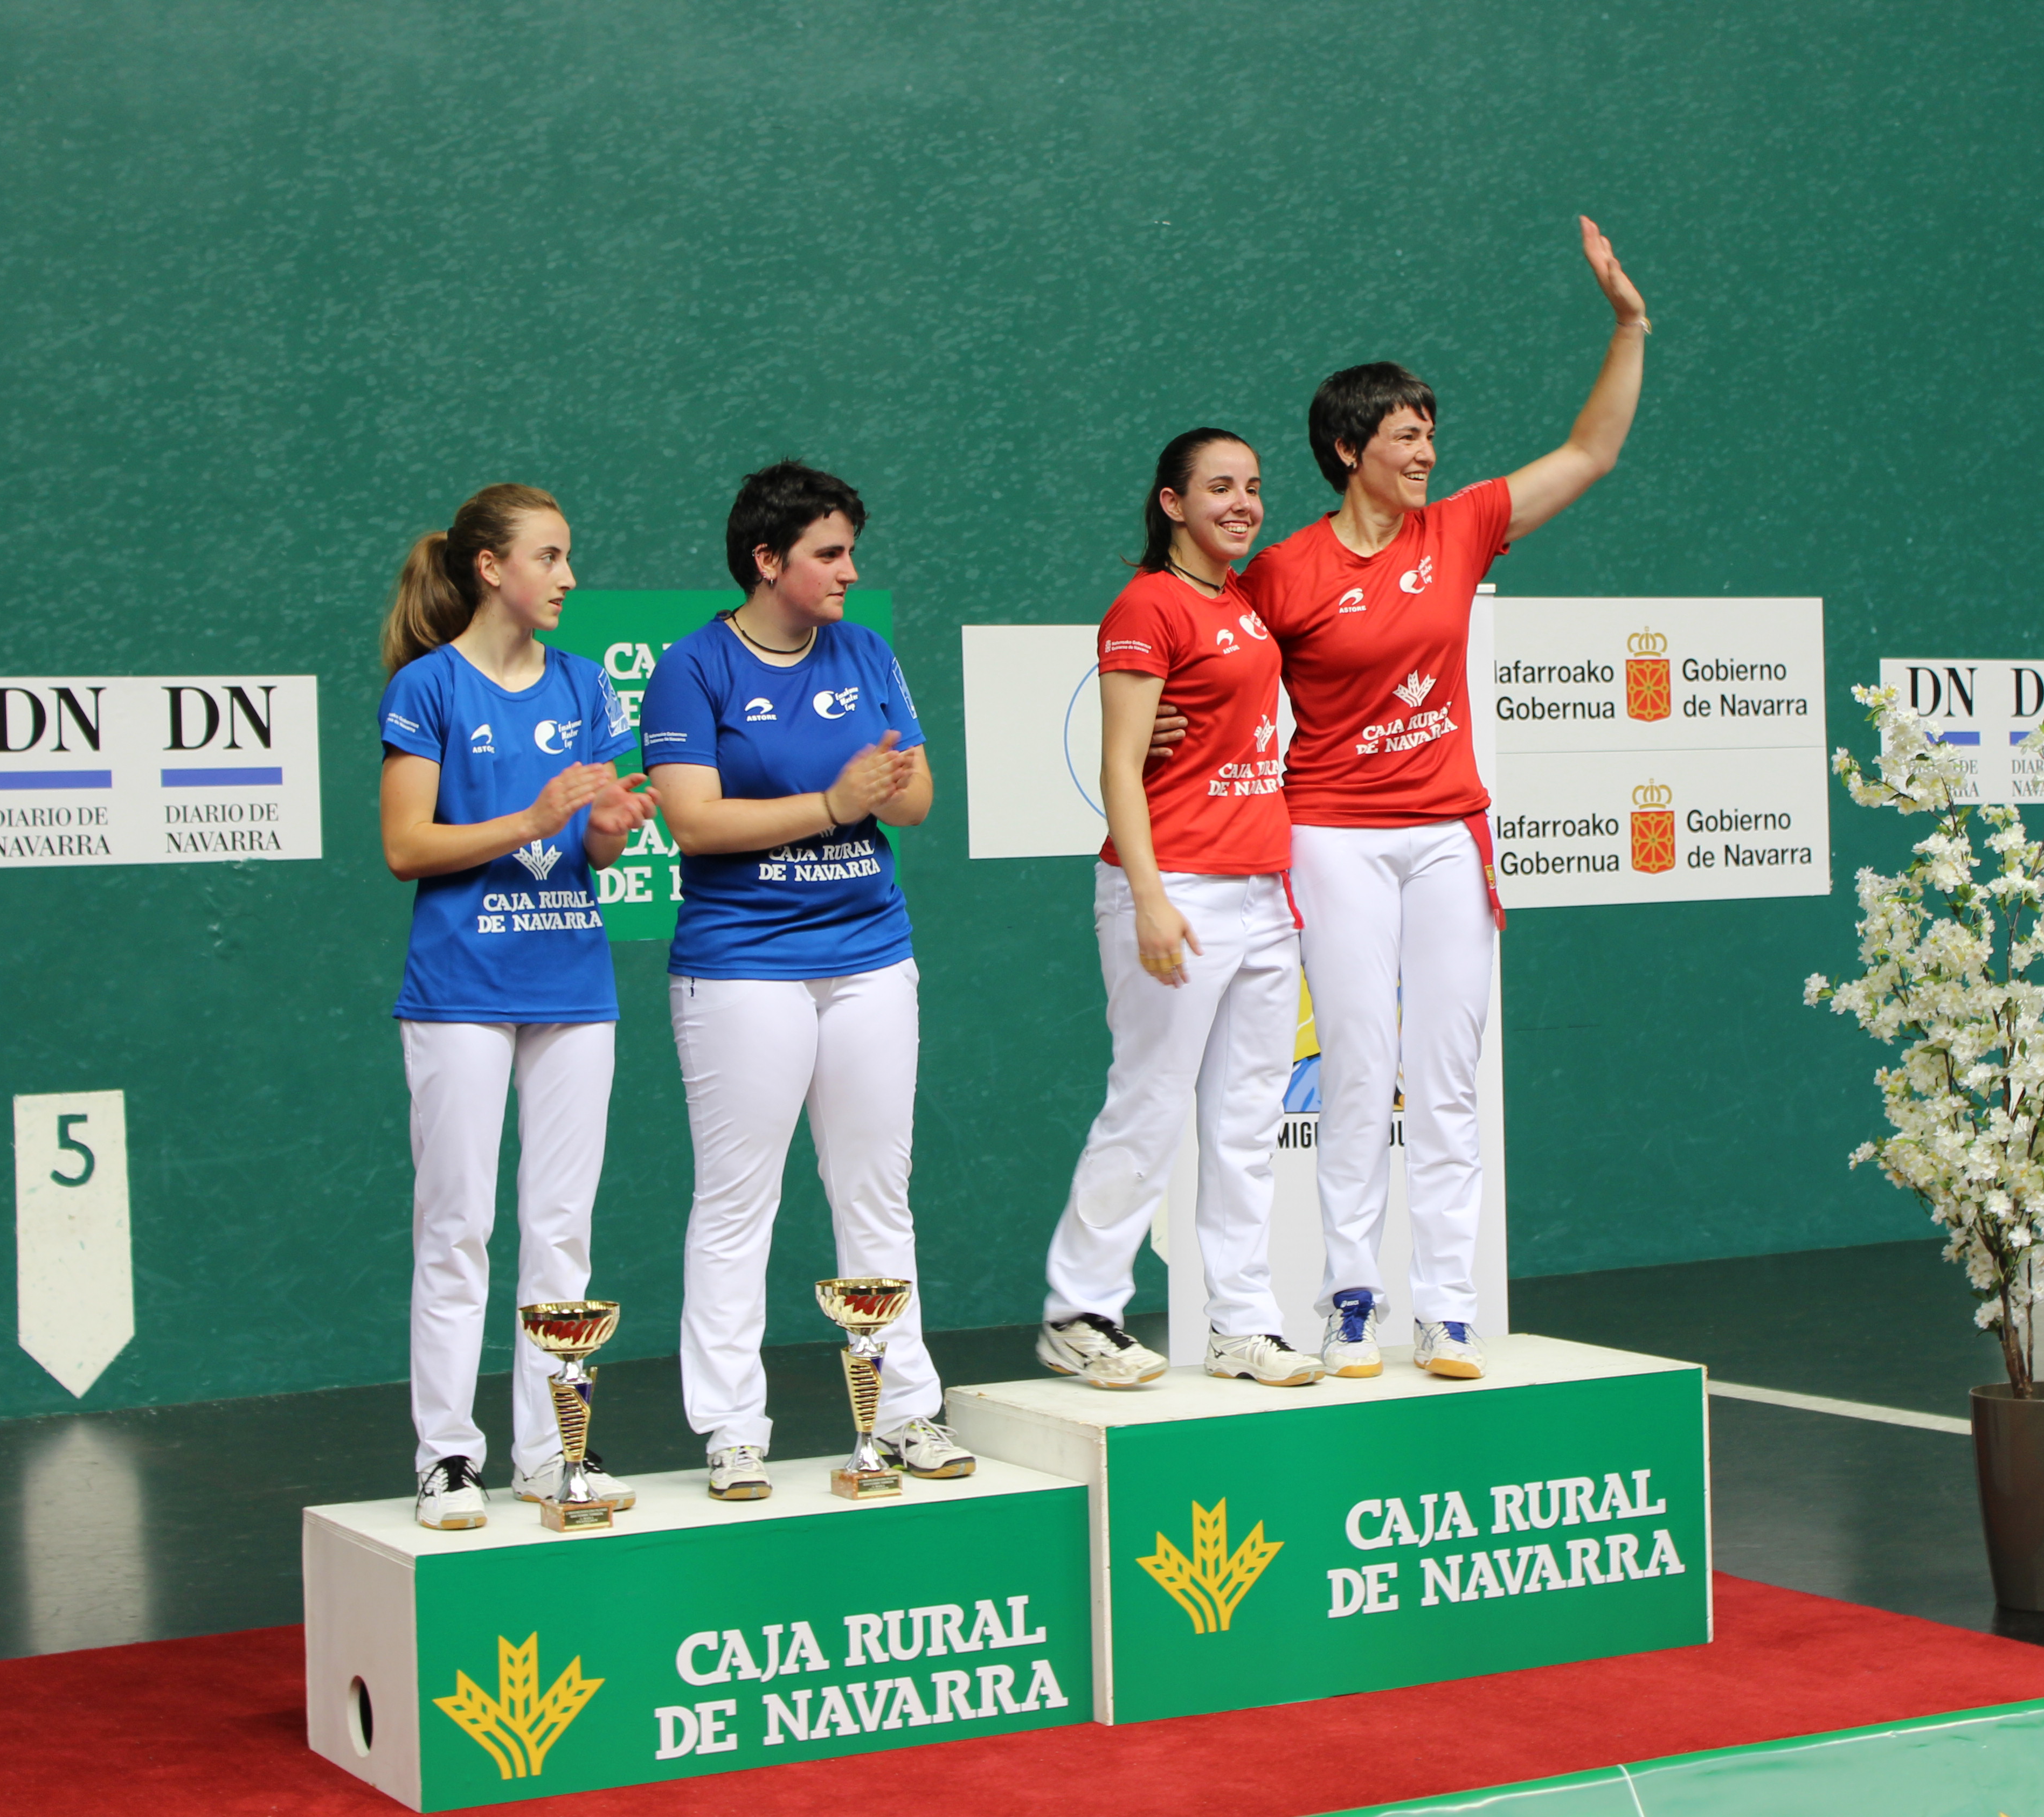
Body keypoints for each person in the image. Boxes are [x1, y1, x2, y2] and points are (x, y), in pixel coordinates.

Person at [1231, 217, 1650, 1381]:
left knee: (1449, 1077)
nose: (1426, 454)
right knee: (1362, 1067)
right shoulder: (1286, 571)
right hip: (1332, 837)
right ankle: (1353, 1299)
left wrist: (1630, 324)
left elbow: (1591, 453)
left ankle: (1451, 1310)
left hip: (1448, 836)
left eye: (1430, 437)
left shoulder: (1459, 530)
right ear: (1348, 446)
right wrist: (1157, 714)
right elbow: (1212, 655)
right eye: (1408, 437)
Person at [642, 460, 972, 1501]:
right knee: (740, 1203)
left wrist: (882, 787)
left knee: (878, 1197)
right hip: (742, 968)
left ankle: (906, 1413)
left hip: (871, 959)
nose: (849, 570)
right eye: (829, 554)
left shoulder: (866, 650)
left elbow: (914, 804)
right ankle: (734, 1430)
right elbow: (694, 820)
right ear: (767, 559)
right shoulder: (692, 670)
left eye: (851, 550)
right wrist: (836, 802)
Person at [376, 482, 656, 1530]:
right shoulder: (429, 690)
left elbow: (586, 839)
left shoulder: (586, 687)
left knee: (562, 1230)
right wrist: (530, 815)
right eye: (549, 557)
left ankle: (553, 1454)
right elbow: (408, 846)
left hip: (574, 988)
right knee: (456, 1229)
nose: (569, 577)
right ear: (491, 568)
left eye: (569, 556)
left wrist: (611, 825)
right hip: (459, 993)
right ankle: (448, 1458)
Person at [1037, 431, 1326, 1392]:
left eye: (1252, 488)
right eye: (1219, 488)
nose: (1242, 503)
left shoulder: (1245, 600)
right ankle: (1080, 1311)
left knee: (1248, 1119)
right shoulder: (1145, 606)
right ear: (1171, 503)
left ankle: (1243, 1321)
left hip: (1263, 890)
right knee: (1151, 1104)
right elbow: (1123, 761)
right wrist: (1153, 901)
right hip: (1174, 889)